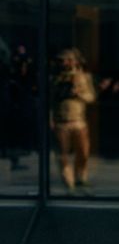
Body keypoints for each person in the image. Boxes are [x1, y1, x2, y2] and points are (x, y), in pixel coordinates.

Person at [50, 48, 95, 192]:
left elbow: (91, 97)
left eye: (68, 60)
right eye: (62, 61)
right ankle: (68, 182)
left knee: (83, 152)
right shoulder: (55, 79)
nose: (65, 63)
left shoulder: (83, 77)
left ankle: (80, 177)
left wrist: (78, 93)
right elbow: (49, 100)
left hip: (79, 121)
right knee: (62, 153)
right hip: (61, 121)